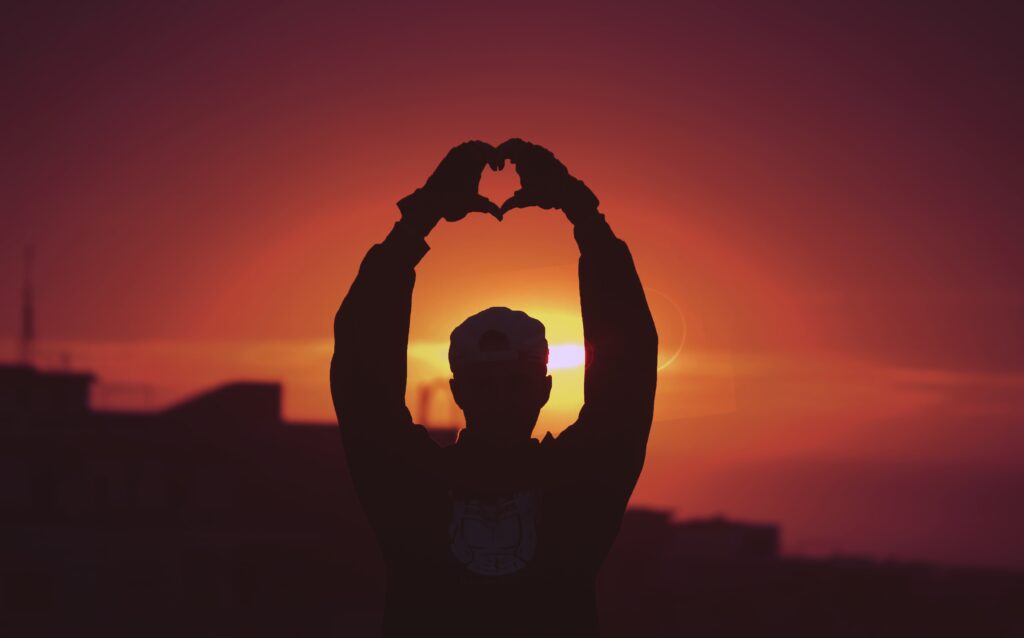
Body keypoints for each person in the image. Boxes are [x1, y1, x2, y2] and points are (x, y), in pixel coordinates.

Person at [331, 139, 658, 636]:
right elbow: (628, 372)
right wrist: (583, 217)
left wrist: (418, 222)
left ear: (543, 388)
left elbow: (362, 373)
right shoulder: (577, 483)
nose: (501, 398)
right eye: (488, 384)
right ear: (460, 392)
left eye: (511, 383)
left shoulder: (412, 483)